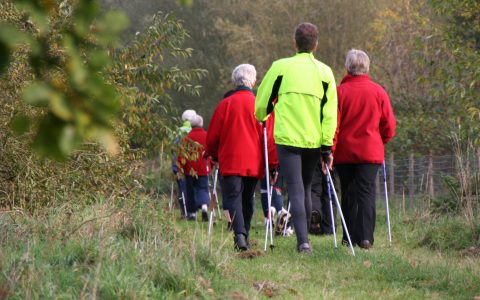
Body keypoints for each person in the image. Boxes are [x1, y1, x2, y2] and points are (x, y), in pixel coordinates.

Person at [255, 23, 338, 253]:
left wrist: (262, 115)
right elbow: (329, 114)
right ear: (316, 45)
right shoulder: (325, 72)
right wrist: (327, 148)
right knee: (306, 185)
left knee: (295, 187)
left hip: (288, 139)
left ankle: (303, 241)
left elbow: (262, 102)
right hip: (313, 139)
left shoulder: (280, 68)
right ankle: (304, 239)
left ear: (294, 43)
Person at [334, 49, 396, 249]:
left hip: (344, 152)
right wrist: (381, 140)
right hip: (370, 151)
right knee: (367, 193)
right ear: (367, 67)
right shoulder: (378, 91)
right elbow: (389, 125)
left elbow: (332, 124)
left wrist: (330, 148)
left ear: (348, 68)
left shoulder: (339, 92)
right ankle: (366, 237)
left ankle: (348, 236)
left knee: (348, 193)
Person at [206, 64, 272, 251]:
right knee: (247, 197)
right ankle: (244, 234)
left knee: (233, 197)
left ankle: (240, 235)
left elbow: (213, 135)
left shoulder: (224, 104)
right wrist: (273, 164)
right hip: (254, 160)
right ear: (253, 81)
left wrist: (212, 154)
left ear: (234, 81)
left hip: (230, 159)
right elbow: (268, 137)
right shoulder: (259, 105)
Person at [177, 114, 210, 221]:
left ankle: (192, 213)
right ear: (201, 124)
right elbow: (211, 151)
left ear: (192, 125)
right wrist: (211, 165)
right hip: (204, 168)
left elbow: (181, 155)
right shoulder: (207, 136)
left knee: (190, 191)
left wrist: (180, 168)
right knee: (203, 189)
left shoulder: (187, 138)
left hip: (189, 170)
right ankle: (204, 206)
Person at [172, 109, 197, 218]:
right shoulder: (195, 131)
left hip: (179, 165)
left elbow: (173, 149)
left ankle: (184, 211)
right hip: (194, 166)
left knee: (182, 189)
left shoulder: (177, 132)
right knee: (193, 188)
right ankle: (193, 212)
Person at [310, 165, 338, 235]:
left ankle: (315, 211)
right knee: (329, 193)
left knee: (314, 190)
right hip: (329, 159)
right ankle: (329, 227)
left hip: (312, 157)